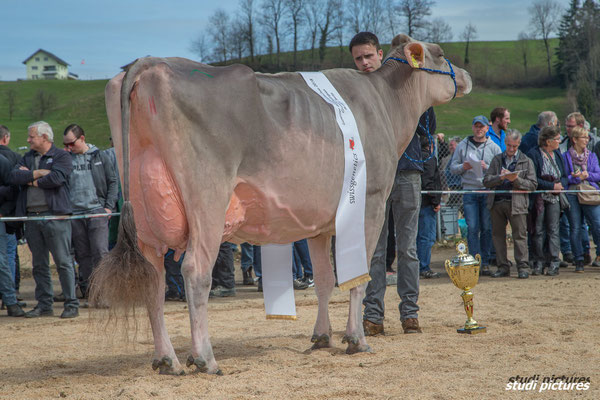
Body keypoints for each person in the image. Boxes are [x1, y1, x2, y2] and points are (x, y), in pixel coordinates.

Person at [350, 32, 425, 335]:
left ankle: (410, 314)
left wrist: (424, 168)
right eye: (358, 58)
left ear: (381, 54)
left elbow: (426, 129)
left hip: (407, 173)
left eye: (369, 55)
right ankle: (373, 316)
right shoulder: (353, 92)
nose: (365, 62)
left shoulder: (409, 83)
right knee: (374, 251)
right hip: (370, 178)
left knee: (408, 249)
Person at [9, 121, 79, 318]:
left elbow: (57, 178)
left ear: (45, 138)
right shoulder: (28, 157)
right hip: (32, 217)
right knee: (39, 264)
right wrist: (38, 174)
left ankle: (71, 303)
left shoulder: (62, 156)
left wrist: (29, 178)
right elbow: (14, 176)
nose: (28, 140)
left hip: (55, 216)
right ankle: (44, 304)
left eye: (32, 136)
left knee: (63, 262)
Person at [63, 124, 118, 299]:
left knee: (100, 252)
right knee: (82, 255)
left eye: (71, 143)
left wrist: (108, 207)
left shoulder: (100, 156)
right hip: (75, 214)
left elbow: (113, 182)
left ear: (82, 139)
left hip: (97, 211)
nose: (68, 148)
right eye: (66, 144)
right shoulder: (66, 159)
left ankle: (105, 291)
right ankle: (89, 292)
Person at [450, 115, 502, 275]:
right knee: (472, 228)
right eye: (476, 126)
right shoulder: (462, 146)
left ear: (488, 128)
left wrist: (488, 167)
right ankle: (473, 261)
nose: (479, 129)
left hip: (487, 192)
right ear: (473, 128)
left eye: (482, 127)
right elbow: (452, 167)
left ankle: (484, 262)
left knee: (486, 228)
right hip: (469, 192)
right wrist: (463, 167)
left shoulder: (494, 148)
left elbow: (501, 171)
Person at [483, 130, 537, 278]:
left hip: (517, 203)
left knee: (519, 235)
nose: (511, 149)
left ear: (519, 144)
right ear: (505, 144)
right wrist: (500, 177)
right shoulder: (497, 159)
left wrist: (516, 180)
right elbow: (486, 181)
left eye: (514, 146)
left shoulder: (526, 161)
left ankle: (523, 267)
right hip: (497, 202)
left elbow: (532, 185)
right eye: (508, 145)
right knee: (498, 236)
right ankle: (502, 266)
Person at [527, 126, 568, 276]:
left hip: (554, 198)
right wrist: (551, 185)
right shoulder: (533, 154)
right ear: (548, 141)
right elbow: (533, 178)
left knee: (553, 230)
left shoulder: (557, 154)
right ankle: (539, 261)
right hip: (539, 197)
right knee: (538, 231)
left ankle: (554, 261)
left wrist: (560, 185)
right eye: (557, 139)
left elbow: (563, 174)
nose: (559, 142)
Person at [562, 126, 600, 273]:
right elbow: (565, 177)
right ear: (575, 139)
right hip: (572, 194)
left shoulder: (591, 156)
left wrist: (586, 175)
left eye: (587, 137)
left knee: (597, 224)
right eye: (584, 137)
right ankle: (578, 259)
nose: (587, 140)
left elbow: (598, 174)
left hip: (589, 193)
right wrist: (574, 178)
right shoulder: (566, 156)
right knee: (576, 227)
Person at [0, 151, 24, 316]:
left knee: (1, 261)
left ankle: (10, 301)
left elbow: (13, 189)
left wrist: (3, 212)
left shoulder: (2, 162)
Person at [417, 132, 442, 279]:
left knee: (414, 237)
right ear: (431, 145)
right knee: (426, 238)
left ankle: (415, 267)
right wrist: (435, 202)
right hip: (427, 204)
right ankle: (423, 267)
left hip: (415, 203)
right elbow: (429, 183)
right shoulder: (429, 158)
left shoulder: (414, 158)